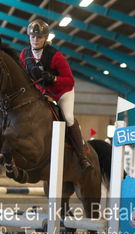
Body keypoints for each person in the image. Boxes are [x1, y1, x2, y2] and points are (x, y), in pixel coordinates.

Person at [19, 19, 91, 170]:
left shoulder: (56, 56)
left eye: (39, 37)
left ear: (45, 38)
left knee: (68, 118)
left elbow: (70, 81)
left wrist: (53, 78)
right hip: (41, 93)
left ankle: (82, 155)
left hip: (61, 92)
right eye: (33, 37)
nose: (35, 40)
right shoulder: (24, 54)